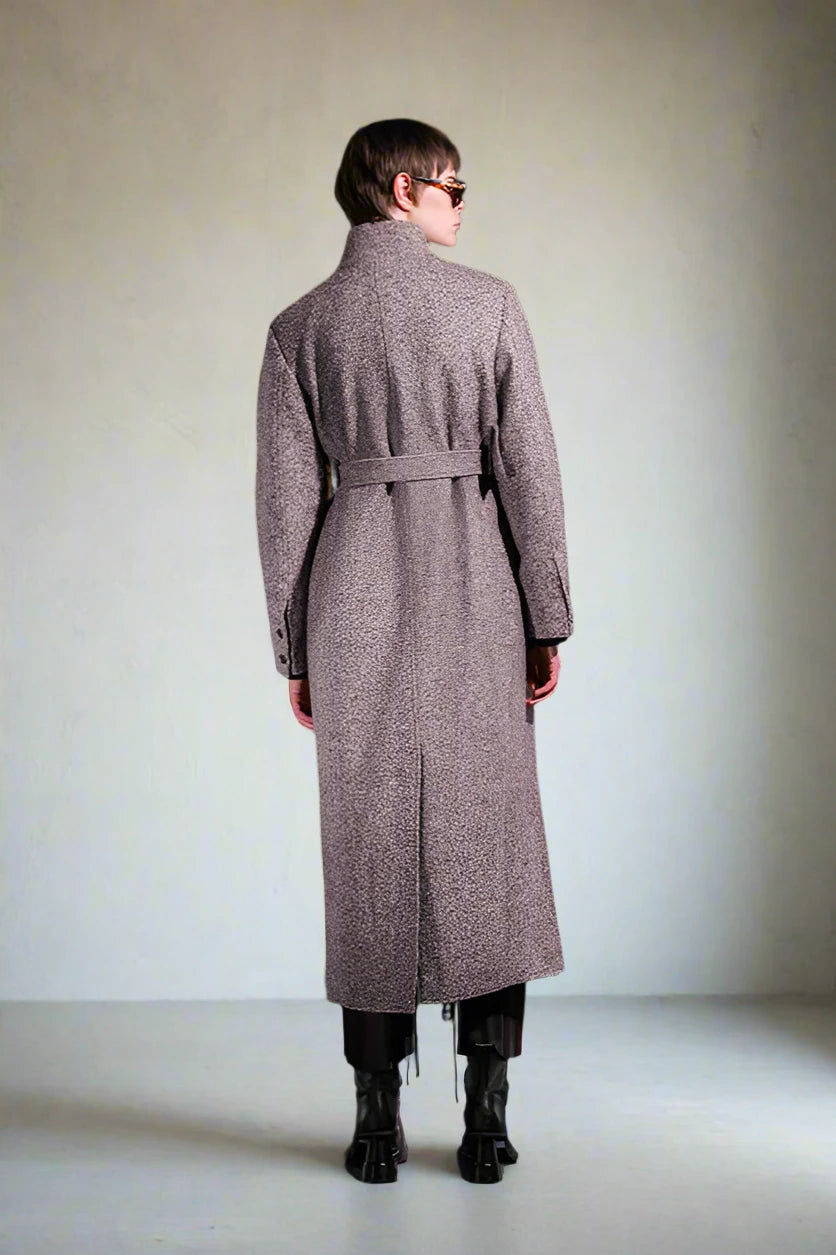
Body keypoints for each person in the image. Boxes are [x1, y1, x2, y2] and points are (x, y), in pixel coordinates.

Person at [255, 118, 573, 1185]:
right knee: (490, 842)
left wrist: (296, 646)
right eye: (452, 186)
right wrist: (546, 614)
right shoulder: (489, 306)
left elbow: (285, 508)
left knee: (369, 851)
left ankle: (376, 1123)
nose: (460, 204)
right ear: (402, 189)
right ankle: (485, 1119)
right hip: (475, 586)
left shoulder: (299, 328)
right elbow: (529, 472)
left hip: (352, 591)